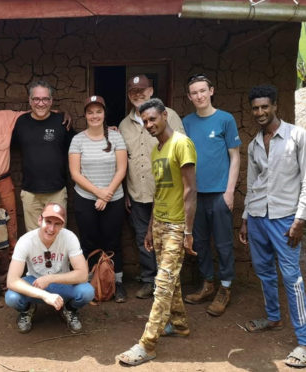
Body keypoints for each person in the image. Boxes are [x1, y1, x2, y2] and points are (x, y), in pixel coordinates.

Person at [0, 83, 70, 295]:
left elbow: (38, 109)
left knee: (9, 228)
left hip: (3, 181)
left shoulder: (7, 117)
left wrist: (62, 112)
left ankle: (9, 275)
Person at [116, 98, 197, 366]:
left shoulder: (181, 144)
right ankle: (180, 324)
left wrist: (187, 231)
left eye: (153, 119)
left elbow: (189, 190)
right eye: (145, 121)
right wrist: (151, 228)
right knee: (170, 280)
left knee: (161, 284)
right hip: (160, 222)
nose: (149, 125)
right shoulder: (157, 150)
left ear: (165, 116)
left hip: (176, 226)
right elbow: (158, 193)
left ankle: (147, 344)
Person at [239, 85, 306, 368]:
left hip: (285, 218)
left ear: (276, 106)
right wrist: (245, 218)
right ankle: (273, 317)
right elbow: (253, 185)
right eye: (255, 108)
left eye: (265, 106)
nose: (260, 112)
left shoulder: (297, 136)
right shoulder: (254, 144)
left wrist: (301, 218)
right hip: (257, 217)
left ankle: (304, 341)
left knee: (292, 278)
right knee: (264, 270)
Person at [119, 74, 184, 299]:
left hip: (166, 192)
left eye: (142, 91)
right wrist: (126, 191)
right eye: (133, 92)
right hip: (138, 192)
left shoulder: (170, 116)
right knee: (142, 238)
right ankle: (149, 280)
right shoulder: (123, 125)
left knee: (167, 238)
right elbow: (123, 160)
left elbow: (181, 152)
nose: (137, 95)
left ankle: (168, 283)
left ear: (151, 91)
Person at [183, 74, 241, 316]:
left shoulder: (225, 120)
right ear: (189, 96)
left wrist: (229, 191)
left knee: (224, 243)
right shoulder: (186, 122)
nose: (199, 96)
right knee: (200, 243)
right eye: (194, 92)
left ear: (211, 91)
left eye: (203, 90)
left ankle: (225, 287)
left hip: (219, 193)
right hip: (196, 195)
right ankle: (208, 283)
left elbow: (235, 156)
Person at [69, 95, 128, 302]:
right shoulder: (78, 140)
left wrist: (107, 193)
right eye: (90, 112)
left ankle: (116, 282)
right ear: (85, 115)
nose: (95, 116)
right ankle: (92, 282)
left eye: (98, 111)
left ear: (104, 113)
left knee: (113, 241)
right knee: (89, 241)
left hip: (114, 198)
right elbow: (75, 173)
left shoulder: (116, 137)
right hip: (86, 198)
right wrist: (98, 193)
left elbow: (121, 169)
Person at [5, 203, 94, 334]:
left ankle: (69, 309)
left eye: (57, 224)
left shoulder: (69, 237)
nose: (51, 228)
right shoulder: (26, 240)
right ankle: (27, 310)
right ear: (40, 220)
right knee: (12, 297)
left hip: (61, 282)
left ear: (62, 225)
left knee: (87, 292)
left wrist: (51, 278)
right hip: (35, 282)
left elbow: (83, 275)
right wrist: (44, 295)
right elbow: (12, 280)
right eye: (48, 222)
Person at [12, 80, 73, 231]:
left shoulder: (62, 121)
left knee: (58, 236)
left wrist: (107, 130)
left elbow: (80, 143)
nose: (41, 103)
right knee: (34, 239)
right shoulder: (21, 122)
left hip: (57, 192)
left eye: (45, 99)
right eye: (36, 99)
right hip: (30, 194)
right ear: (29, 100)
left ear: (51, 101)